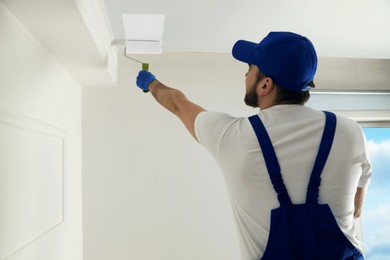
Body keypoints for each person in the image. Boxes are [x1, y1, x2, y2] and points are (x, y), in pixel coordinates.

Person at [136, 31, 372, 259]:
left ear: (265, 85)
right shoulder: (349, 132)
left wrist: (151, 84)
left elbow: (178, 104)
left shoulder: (232, 136)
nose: (245, 76)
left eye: (249, 70)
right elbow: (356, 208)